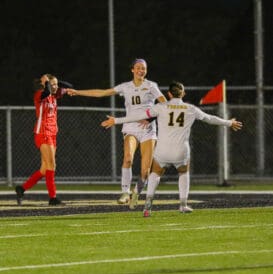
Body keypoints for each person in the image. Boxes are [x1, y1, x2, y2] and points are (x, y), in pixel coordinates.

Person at [101, 81, 243, 217]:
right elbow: (210, 118)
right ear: (183, 93)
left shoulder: (160, 107)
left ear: (169, 94)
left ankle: (147, 206)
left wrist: (117, 120)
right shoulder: (191, 109)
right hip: (181, 151)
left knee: (155, 174)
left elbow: (138, 115)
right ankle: (183, 204)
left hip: (162, 151)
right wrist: (229, 122)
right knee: (183, 172)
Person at [67, 58, 166, 208]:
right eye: (138, 68)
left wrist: (151, 117)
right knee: (127, 158)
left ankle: (136, 193)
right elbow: (101, 93)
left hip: (148, 130)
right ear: (132, 70)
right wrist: (77, 92)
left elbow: (164, 103)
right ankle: (125, 192)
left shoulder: (151, 86)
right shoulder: (125, 87)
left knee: (145, 170)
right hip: (131, 127)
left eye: (144, 68)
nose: (141, 71)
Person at [15, 74, 73, 206]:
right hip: (43, 132)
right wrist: (47, 83)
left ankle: (22, 188)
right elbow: (46, 91)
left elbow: (70, 86)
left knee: (44, 169)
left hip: (52, 133)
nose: (56, 87)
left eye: (56, 84)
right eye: (52, 84)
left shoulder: (54, 95)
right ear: (45, 85)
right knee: (51, 166)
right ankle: (53, 198)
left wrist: (55, 82)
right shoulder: (40, 94)